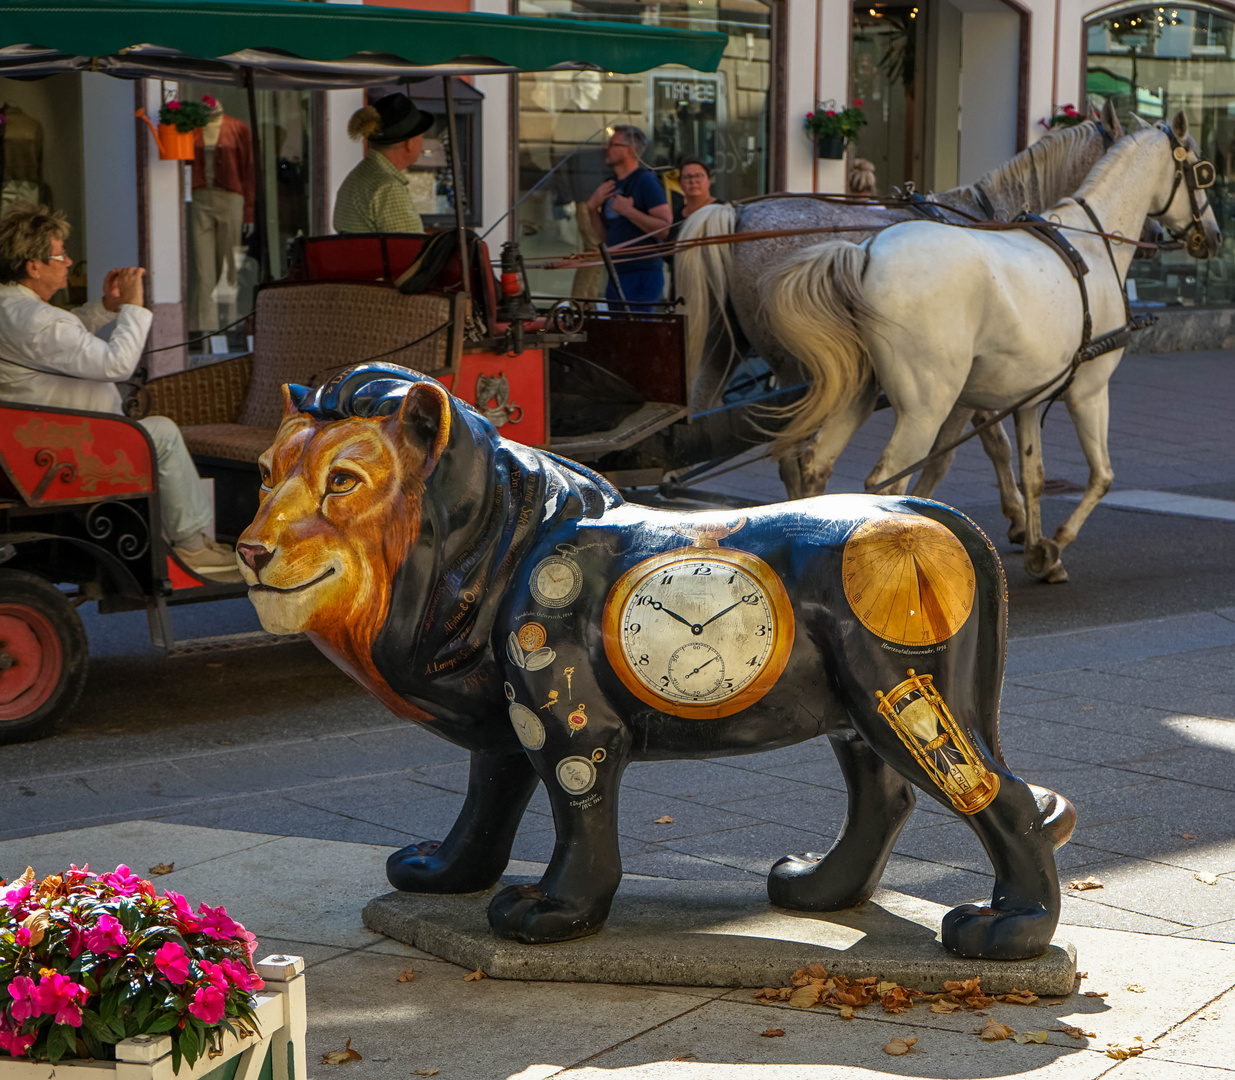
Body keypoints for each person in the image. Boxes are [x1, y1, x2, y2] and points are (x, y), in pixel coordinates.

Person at [0, 205, 240, 580]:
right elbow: (116, 364)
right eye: (60, 255)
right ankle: (193, 547)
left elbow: (63, 334)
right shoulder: (37, 320)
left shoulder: (13, 309)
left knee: (151, 430)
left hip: (33, 445)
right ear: (33, 266)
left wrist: (106, 308)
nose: (67, 262)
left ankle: (191, 544)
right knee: (157, 433)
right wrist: (132, 307)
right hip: (64, 450)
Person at [585, 126, 672, 310]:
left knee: (638, 331)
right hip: (617, 273)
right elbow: (606, 239)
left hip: (642, 273)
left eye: (612, 144)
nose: (605, 148)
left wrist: (629, 212)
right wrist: (592, 209)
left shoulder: (645, 181)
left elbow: (665, 228)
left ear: (629, 150)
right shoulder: (611, 184)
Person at [333, 94, 434, 235]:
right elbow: (412, 250)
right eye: (421, 137)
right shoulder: (388, 188)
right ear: (409, 143)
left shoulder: (358, 176)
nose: (422, 143)